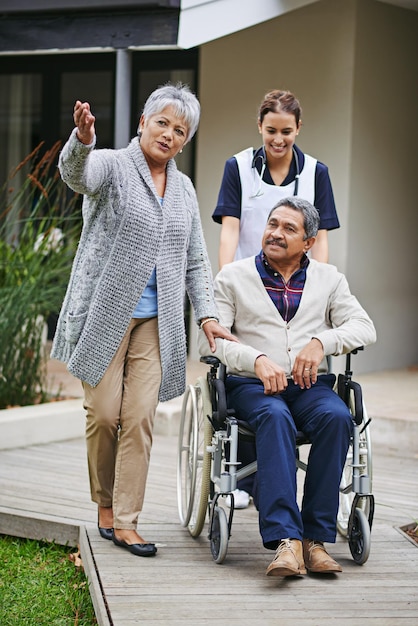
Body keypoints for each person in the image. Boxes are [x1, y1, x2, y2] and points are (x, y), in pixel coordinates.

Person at [51, 83, 234, 558]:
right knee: (104, 414)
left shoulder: (184, 188)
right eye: (163, 124)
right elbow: (76, 175)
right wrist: (83, 138)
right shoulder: (112, 164)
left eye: (180, 130)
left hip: (157, 322)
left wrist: (208, 316)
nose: (170, 135)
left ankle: (127, 520)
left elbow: (195, 259)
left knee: (138, 419)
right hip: (105, 313)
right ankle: (105, 503)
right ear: (142, 123)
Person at [198, 197, 376, 577]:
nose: (275, 233)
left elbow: (364, 327)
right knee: (275, 417)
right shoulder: (233, 276)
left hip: (309, 385)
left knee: (337, 416)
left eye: (289, 229)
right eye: (272, 224)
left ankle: (315, 539)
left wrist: (320, 342)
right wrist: (256, 359)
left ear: (308, 242)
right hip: (251, 386)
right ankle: (286, 542)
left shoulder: (330, 279)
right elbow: (209, 342)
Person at [213, 89, 340, 508]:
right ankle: (246, 483)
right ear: (260, 127)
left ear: (298, 128)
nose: (278, 140)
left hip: (296, 283)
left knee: (300, 388)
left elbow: (319, 240)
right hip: (249, 285)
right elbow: (230, 229)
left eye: (287, 131)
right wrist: (224, 283)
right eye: (271, 131)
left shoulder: (316, 172)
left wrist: (316, 288)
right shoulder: (238, 167)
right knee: (254, 375)